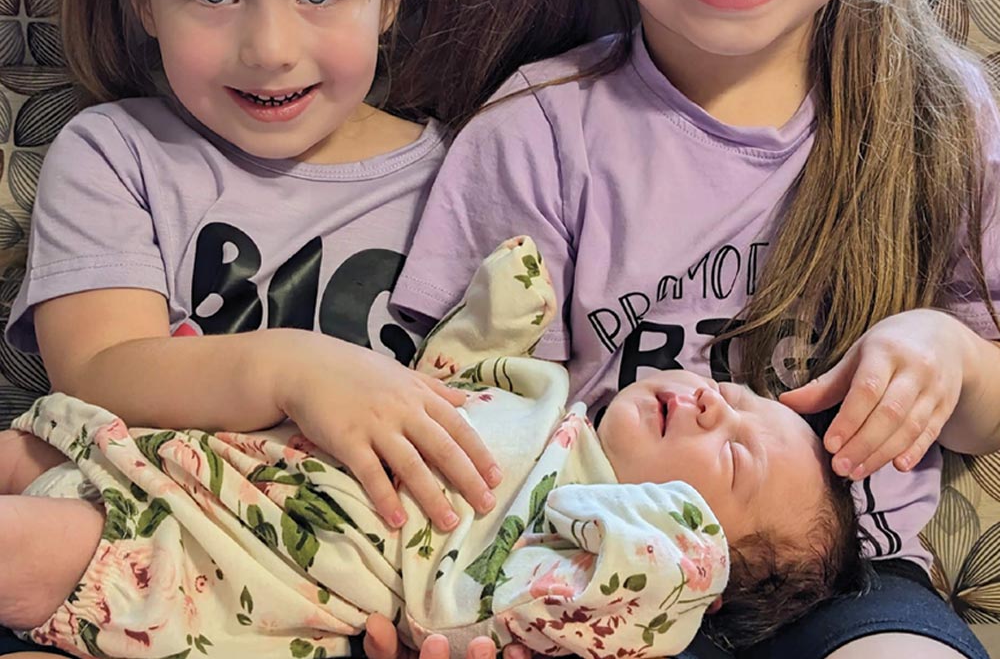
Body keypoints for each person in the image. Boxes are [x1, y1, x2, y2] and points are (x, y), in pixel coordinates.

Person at [382, 0, 1000, 657]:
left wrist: (945, 353)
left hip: (849, 583)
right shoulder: (537, 129)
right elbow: (473, 411)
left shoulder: (936, 117)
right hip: (576, 565)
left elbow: (985, 411)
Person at [0, 0, 503, 658]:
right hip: (139, 550)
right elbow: (100, 371)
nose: (270, 49)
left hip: (362, 579)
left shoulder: (469, 173)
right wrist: (293, 366)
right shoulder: (115, 154)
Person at [0, 238, 863, 658]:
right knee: (21, 454)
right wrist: (503, 313)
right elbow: (444, 378)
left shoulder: (591, 561)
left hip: (223, 567)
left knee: (33, 547)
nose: (717, 402)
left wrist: (672, 565)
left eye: (738, 453)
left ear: (695, 544)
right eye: (741, 395)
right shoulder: (555, 406)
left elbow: (568, 608)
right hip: (200, 459)